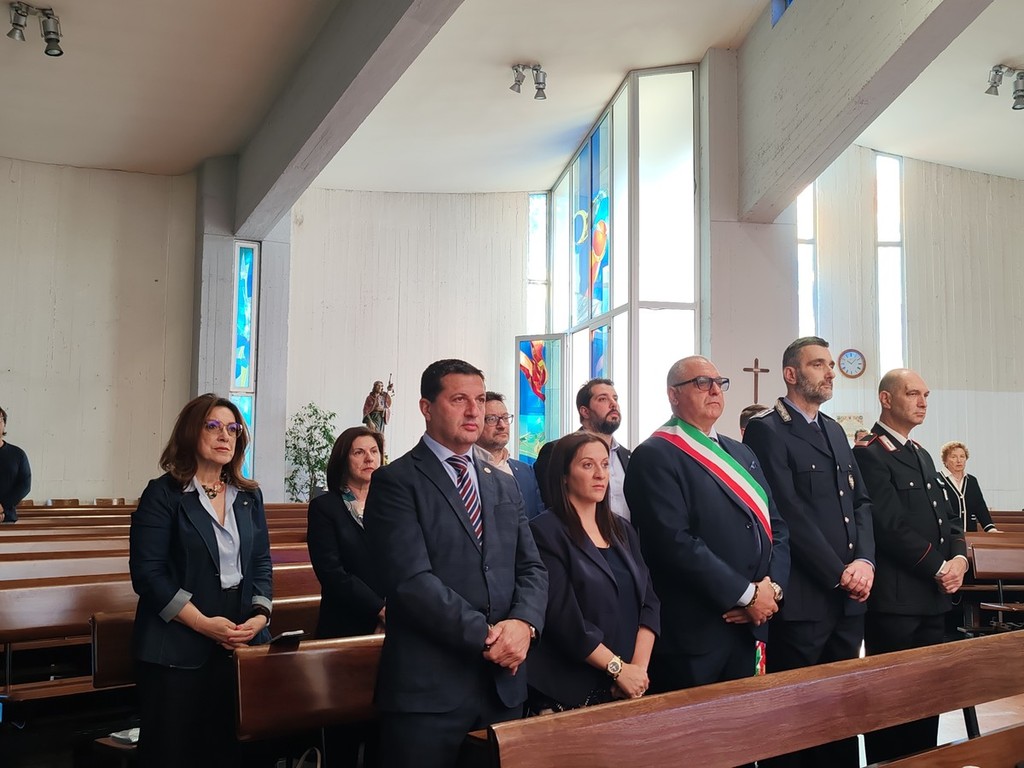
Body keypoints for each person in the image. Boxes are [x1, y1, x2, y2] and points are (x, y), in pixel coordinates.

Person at [364, 359, 547, 768]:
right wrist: (491, 638)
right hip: (429, 693)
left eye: (479, 400)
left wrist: (524, 625)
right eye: (459, 399)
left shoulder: (503, 483)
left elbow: (532, 568)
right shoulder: (396, 481)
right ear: (426, 407)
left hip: (502, 687)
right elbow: (411, 581)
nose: (473, 411)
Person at [742, 337, 875, 768]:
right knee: (793, 720)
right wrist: (839, 573)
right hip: (805, 599)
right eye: (819, 364)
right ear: (791, 374)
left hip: (848, 600)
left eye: (831, 364)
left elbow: (860, 502)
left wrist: (865, 562)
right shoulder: (767, 429)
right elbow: (787, 512)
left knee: (839, 716)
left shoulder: (833, 429)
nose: (830, 372)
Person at [624, 355, 789, 692]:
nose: (715, 390)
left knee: (748, 720)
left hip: (751, 624)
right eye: (702, 383)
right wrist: (745, 595)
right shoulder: (654, 454)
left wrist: (770, 590)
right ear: (673, 394)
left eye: (719, 383)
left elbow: (777, 527)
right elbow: (673, 542)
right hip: (696, 633)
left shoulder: (741, 454)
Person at [129, 393, 272, 768]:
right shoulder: (163, 494)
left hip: (238, 637)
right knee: (174, 754)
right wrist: (202, 623)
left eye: (233, 428)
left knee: (229, 752)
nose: (225, 435)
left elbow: (260, 562)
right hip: (177, 643)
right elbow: (148, 574)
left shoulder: (248, 496)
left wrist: (260, 616)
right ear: (191, 432)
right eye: (213, 426)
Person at [853, 368, 966, 764]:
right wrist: (939, 567)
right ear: (886, 399)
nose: (922, 402)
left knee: (926, 699)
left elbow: (948, 519)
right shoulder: (869, 453)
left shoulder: (920, 453)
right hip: (896, 603)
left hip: (932, 599)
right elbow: (888, 526)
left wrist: (959, 559)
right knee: (892, 703)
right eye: (912, 393)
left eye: (926, 395)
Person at [527, 432, 660, 713]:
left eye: (605, 464)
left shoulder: (622, 529)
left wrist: (636, 670)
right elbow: (566, 621)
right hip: (570, 689)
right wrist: (618, 669)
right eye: (588, 465)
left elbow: (649, 602)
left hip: (628, 685)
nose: (600, 474)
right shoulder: (544, 532)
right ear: (564, 475)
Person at [308, 425, 386, 768]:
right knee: (344, 730)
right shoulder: (326, 507)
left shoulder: (392, 504)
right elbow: (332, 572)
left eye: (374, 451)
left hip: (393, 629)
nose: (369, 458)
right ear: (343, 459)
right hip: (346, 626)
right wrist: (380, 608)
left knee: (384, 728)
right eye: (359, 452)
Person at [534, 378, 632, 520]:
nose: (613, 404)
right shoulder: (557, 450)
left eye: (615, 398)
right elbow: (552, 504)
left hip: (623, 534)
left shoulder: (627, 456)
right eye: (603, 399)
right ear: (585, 411)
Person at [475, 391, 544, 519]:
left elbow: (537, 520)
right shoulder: (465, 469)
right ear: (476, 423)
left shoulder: (526, 471)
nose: (502, 425)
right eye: (492, 419)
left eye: (505, 418)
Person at [940, 440, 999, 533]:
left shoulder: (971, 480)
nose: (959, 460)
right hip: (947, 535)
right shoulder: (937, 480)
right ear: (945, 460)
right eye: (953, 457)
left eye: (962, 456)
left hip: (971, 534)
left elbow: (980, 506)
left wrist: (990, 528)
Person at [0, 405, 31, 523]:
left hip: (7, 518)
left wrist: (2, 506)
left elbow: (25, 485)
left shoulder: (18, 454)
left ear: (4, 424)